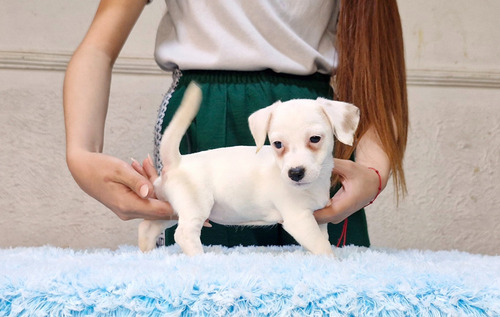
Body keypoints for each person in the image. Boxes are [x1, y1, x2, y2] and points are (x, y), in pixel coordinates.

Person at [63, 0, 408, 248]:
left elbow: (376, 68)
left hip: (307, 115)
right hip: (209, 114)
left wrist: (374, 174)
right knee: (205, 293)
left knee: (325, 284)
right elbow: (98, 47)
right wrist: (80, 154)